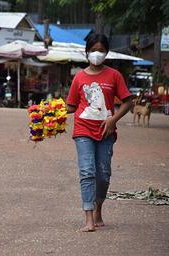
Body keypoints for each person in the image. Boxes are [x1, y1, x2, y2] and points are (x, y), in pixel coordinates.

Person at [66, 33, 132, 232]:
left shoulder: (114, 75)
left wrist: (113, 119)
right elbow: (71, 106)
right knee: (87, 172)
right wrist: (48, 114)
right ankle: (89, 219)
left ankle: (98, 208)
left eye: (101, 51)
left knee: (103, 174)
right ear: (87, 52)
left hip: (106, 132)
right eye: (93, 50)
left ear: (107, 53)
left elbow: (128, 102)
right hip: (83, 130)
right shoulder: (79, 77)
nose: (97, 54)